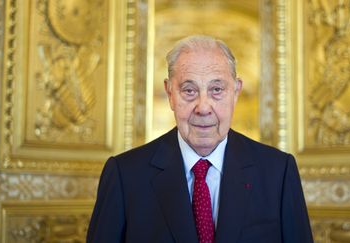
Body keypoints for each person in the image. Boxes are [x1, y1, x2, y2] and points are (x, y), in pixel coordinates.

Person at [87, 35, 313, 243]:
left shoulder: (278, 171)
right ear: (170, 94)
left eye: (216, 89)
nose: (203, 107)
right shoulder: (124, 175)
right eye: (189, 90)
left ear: (235, 92)